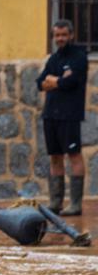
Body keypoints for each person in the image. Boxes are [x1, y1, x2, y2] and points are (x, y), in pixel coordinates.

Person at [37, 19, 89, 216]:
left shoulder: (79, 56)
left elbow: (72, 81)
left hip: (70, 114)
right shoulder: (54, 59)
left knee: (74, 156)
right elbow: (40, 82)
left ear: (71, 35)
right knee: (55, 157)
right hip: (51, 114)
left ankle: (75, 204)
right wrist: (58, 80)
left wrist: (55, 81)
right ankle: (56, 202)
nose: (60, 39)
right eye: (57, 35)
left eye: (63, 35)